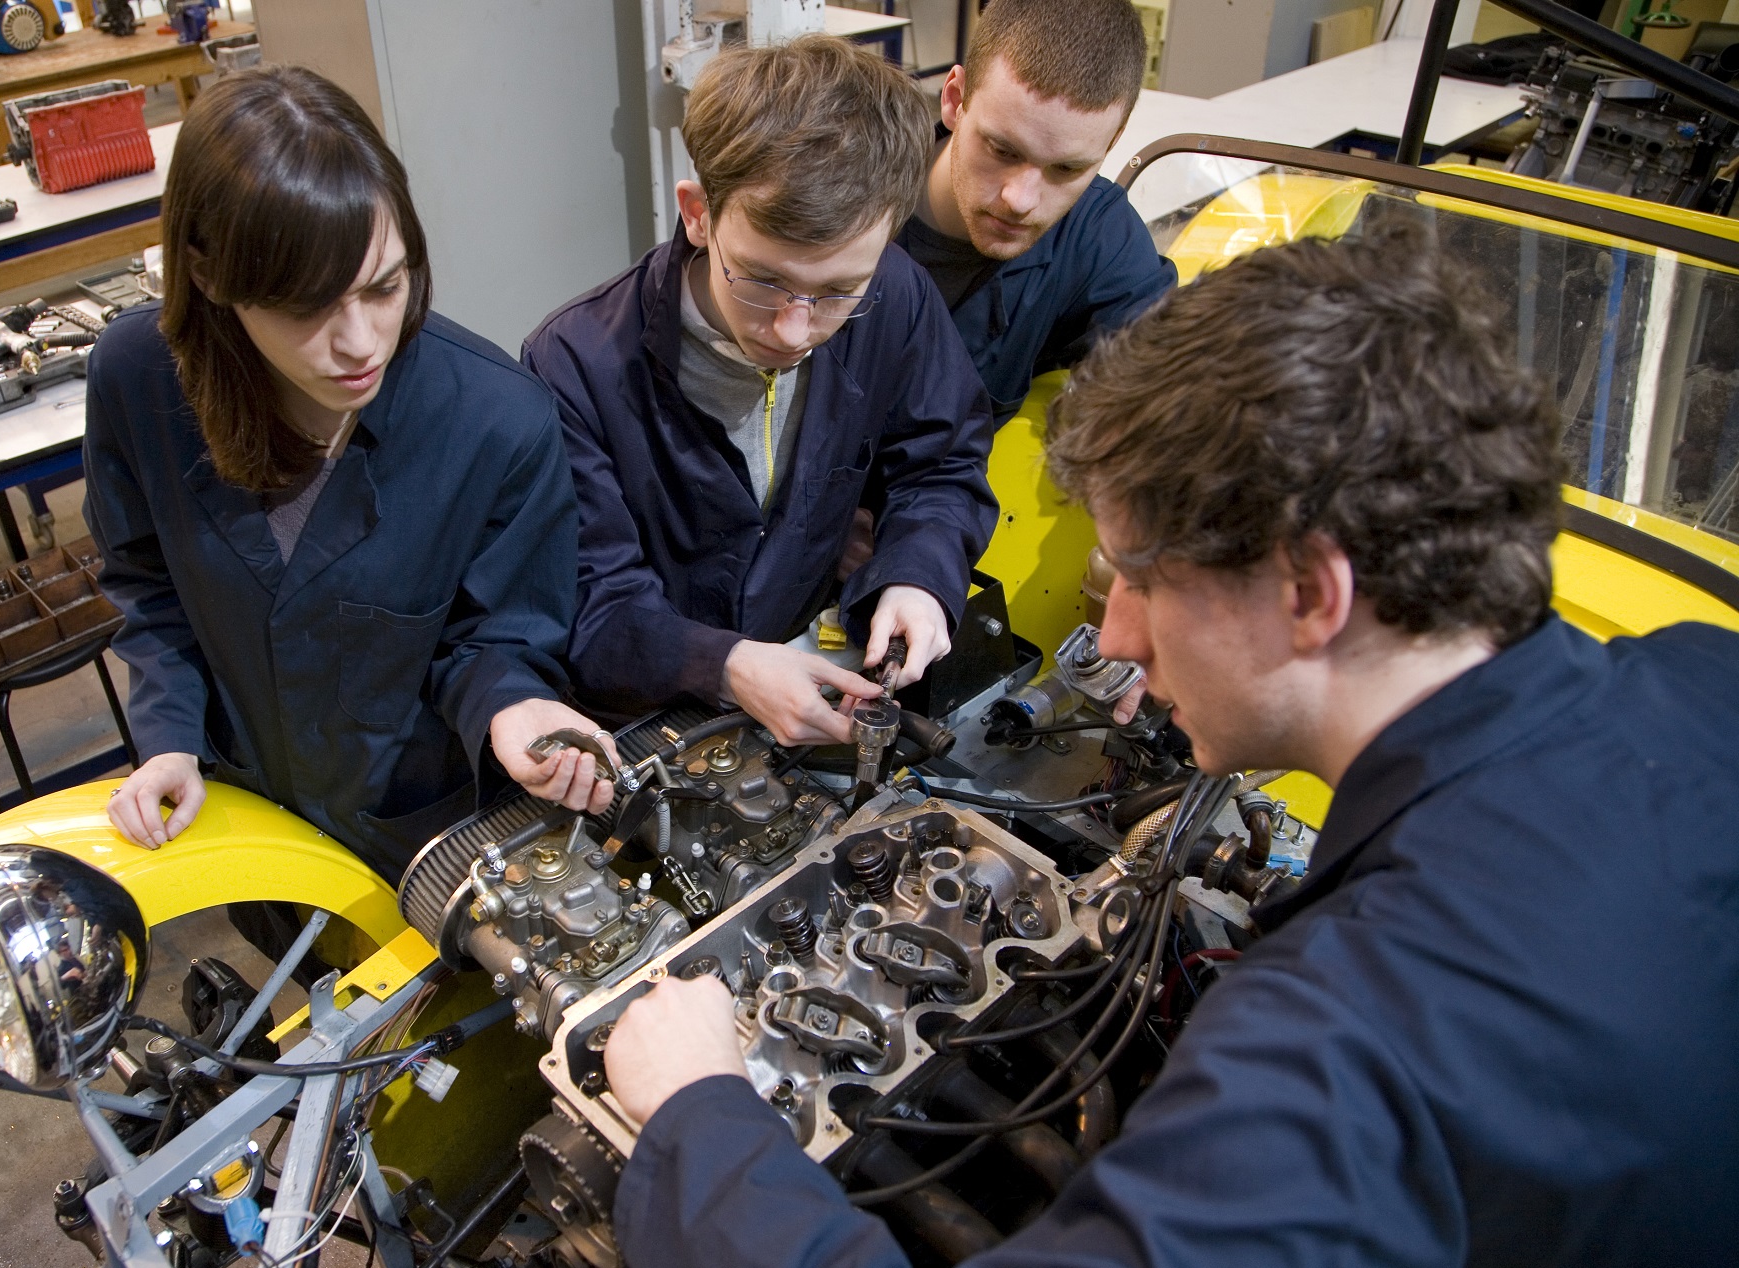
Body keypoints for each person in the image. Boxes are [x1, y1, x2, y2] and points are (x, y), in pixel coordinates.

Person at [597, 229, 1739, 1268]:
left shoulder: (1346, 1047)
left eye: (1139, 576)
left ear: (1308, 592)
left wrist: (701, 1114)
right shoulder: (1702, 674)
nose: (1121, 634)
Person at [84, 68, 616, 917]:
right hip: (251, 814)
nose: (361, 343)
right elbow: (148, 585)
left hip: (420, 839)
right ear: (211, 275)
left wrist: (512, 705)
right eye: (308, 306)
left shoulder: (496, 420)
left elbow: (498, 633)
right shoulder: (138, 378)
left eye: (385, 285)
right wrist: (171, 736)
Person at [523, 36, 998, 746]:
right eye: (763, 278)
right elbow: (593, 600)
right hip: (644, 717)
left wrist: (920, 576)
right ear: (697, 212)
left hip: (801, 669)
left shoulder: (897, 296)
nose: (793, 329)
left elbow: (941, 464)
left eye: (839, 292)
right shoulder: (575, 364)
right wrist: (729, 665)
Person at [902, 0, 1174, 430]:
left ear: (1111, 142)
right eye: (1002, 150)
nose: (1020, 200)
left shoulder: (1098, 238)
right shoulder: (850, 195)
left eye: (1067, 169)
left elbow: (1169, 388)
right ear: (955, 100)